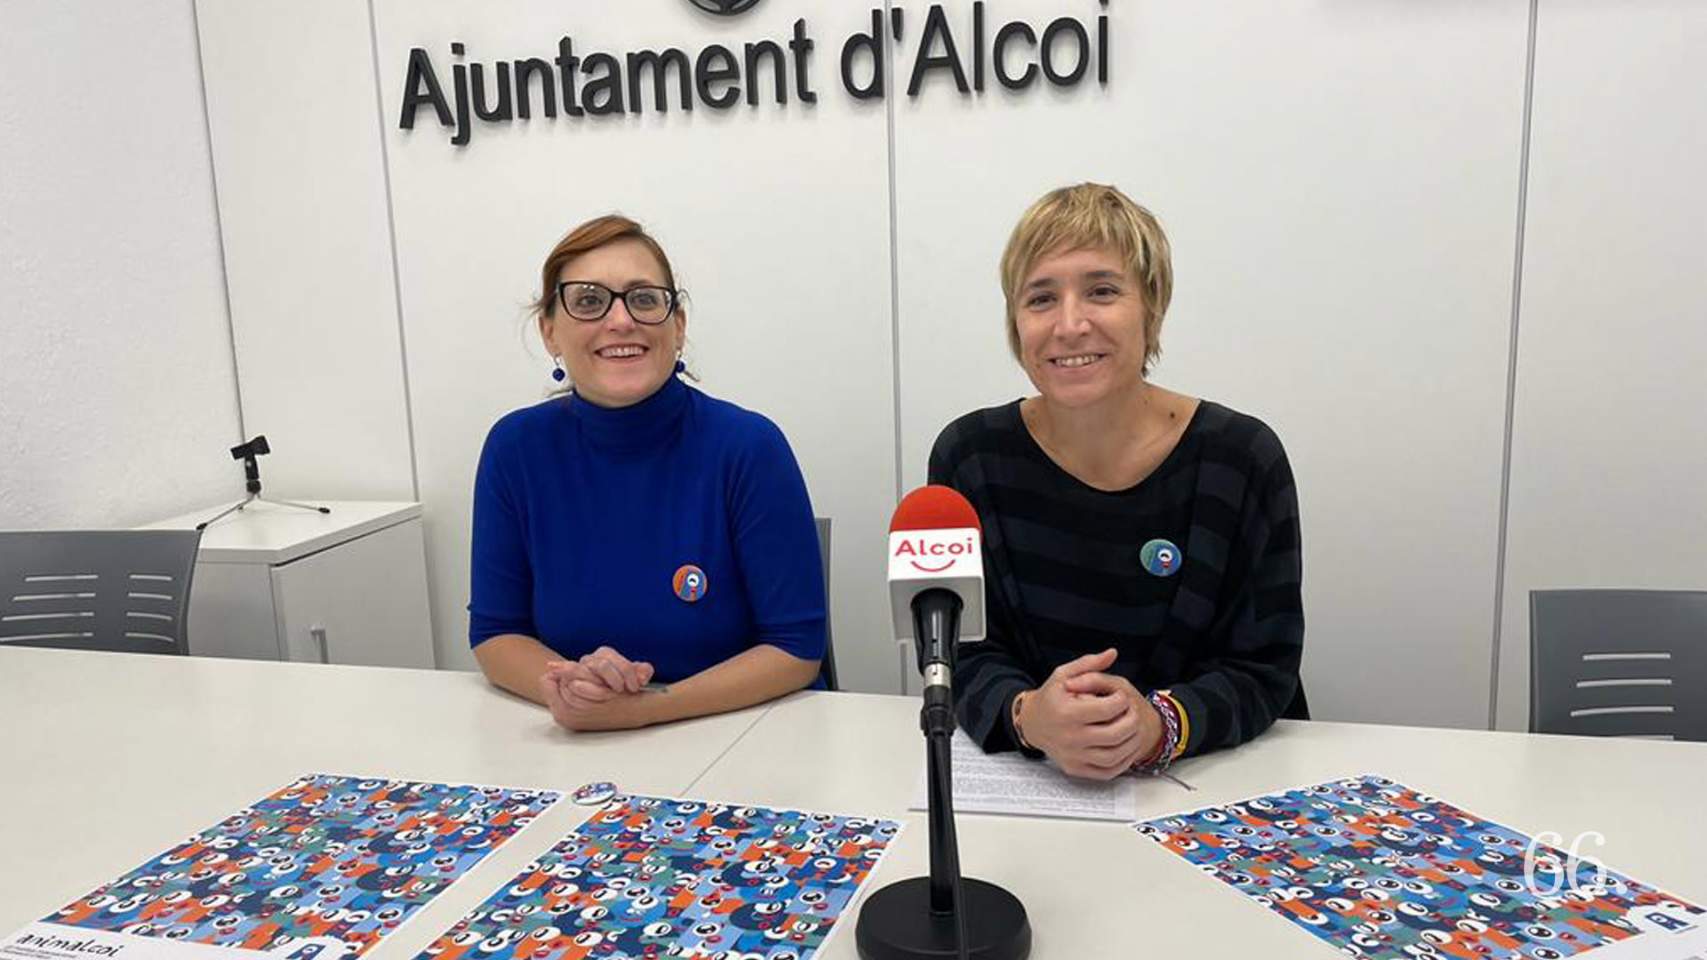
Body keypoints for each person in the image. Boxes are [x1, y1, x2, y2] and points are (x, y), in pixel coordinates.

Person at [929, 183, 1307, 780]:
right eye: (1041, 298)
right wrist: (1029, 716)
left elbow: (1265, 668)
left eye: (1102, 291)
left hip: (1209, 786)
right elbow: (959, 651)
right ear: (1015, 321)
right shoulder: (970, 456)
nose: (1070, 324)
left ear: (1152, 307)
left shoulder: (1241, 459)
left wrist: (1156, 724)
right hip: (1033, 788)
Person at [469, 214, 826, 731]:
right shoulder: (514, 449)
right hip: (577, 741)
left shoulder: (749, 447)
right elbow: (497, 633)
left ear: (677, 326)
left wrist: (646, 710)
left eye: (643, 299)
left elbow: (796, 649)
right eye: (589, 301)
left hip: (744, 737)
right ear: (549, 331)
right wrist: (574, 686)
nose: (620, 321)